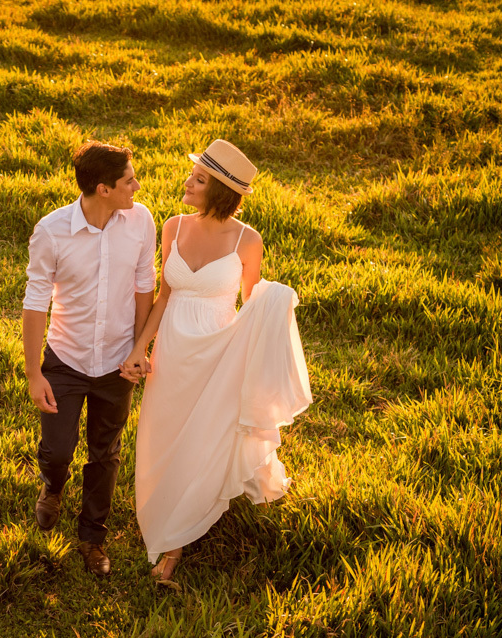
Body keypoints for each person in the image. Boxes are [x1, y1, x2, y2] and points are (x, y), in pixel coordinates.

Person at [119, 140, 312, 586]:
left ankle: (174, 544)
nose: (187, 182)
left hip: (217, 351)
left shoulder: (249, 240)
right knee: (162, 435)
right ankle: (166, 513)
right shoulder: (173, 227)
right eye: (193, 175)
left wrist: (272, 310)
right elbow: (165, 294)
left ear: (222, 191)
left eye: (199, 179)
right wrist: (140, 348)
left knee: (202, 440)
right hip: (173, 351)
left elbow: (252, 306)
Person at [22, 141, 157, 577]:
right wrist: (33, 372)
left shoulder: (140, 221)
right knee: (58, 449)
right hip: (65, 356)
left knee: (106, 453)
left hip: (118, 361)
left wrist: (139, 350)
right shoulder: (51, 230)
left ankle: (92, 538)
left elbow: (143, 286)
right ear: (103, 189)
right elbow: (35, 301)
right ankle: (52, 486)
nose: (137, 185)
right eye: (128, 181)